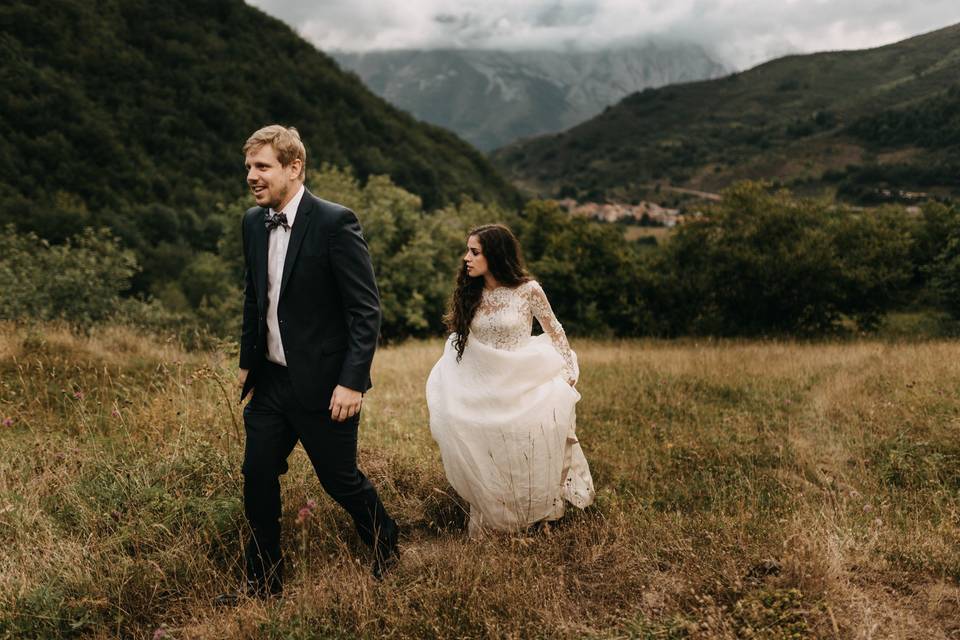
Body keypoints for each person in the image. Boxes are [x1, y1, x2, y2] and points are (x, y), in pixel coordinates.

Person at [223, 125, 398, 603]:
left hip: (326, 386)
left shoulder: (335, 222)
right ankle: (263, 583)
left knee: (340, 482)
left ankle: (388, 547)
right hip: (272, 382)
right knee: (257, 475)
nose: (252, 177)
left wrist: (352, 382)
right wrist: (247, 361)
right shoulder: (250, 223)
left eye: (262, 167)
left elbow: (366, 310)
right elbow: (253, 296)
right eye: (249, 169)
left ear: (293, 167)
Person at [425, 224, 595, 536]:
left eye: (474, 252)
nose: (466, 258)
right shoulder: (470, 292)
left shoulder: (529, 290)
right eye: (468, 251)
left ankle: (536, 515)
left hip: (523, 377)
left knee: (525, 444)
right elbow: (461, 343)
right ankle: (494, 512)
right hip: (485, 382)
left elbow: (554, 330)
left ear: (495, 254)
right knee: (483, 442)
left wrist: (568, 373)